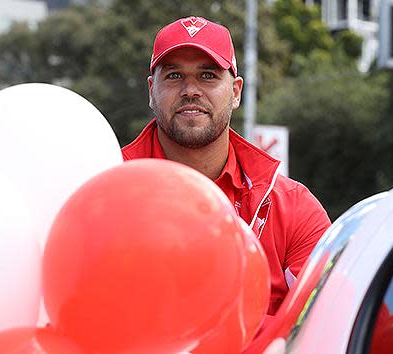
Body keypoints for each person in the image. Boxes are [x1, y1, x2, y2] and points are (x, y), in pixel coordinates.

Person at [121, 16, 331, 317]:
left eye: (207, 75)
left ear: (235, 92)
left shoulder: (293, 209)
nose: (190, 90)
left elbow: (328, 323)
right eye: (174, 76)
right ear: (152, 90)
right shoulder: (107, 189)